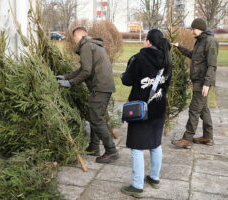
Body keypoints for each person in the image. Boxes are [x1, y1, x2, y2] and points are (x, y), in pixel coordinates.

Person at [120, 29, 172, 198]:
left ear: (149, 41)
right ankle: (154, 178)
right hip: (158, 108)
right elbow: (167, 84)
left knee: (136, 147)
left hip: (140, 110)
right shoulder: (167, 59)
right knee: (155, 144)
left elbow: (126, 80)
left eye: (145, 39)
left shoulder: (139, 58)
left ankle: (137, 185)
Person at [56, 26, 119, 163]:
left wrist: (71, 83)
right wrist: (66, 76)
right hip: (104, 86)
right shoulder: (93, 45)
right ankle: (94, 147)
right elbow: (83, 68)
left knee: (96, 119)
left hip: (100, 87)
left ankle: (111, 151)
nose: (74, 42)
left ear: (77, 36)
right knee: (95, 117)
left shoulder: (85, 45)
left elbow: (86, 72)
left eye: (73, 38)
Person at [171, 18, 218, 149]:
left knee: (194, 110)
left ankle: (187, 138)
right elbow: (194, 55)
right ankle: (208, 137)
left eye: (193, 29)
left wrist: (207, 84)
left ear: (200, 29)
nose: (192, 31)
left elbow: (212, 65)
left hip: (203, 82)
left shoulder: (210, 42)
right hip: (198, 81)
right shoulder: (200, 41)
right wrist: (179, 47)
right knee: (203, 110)